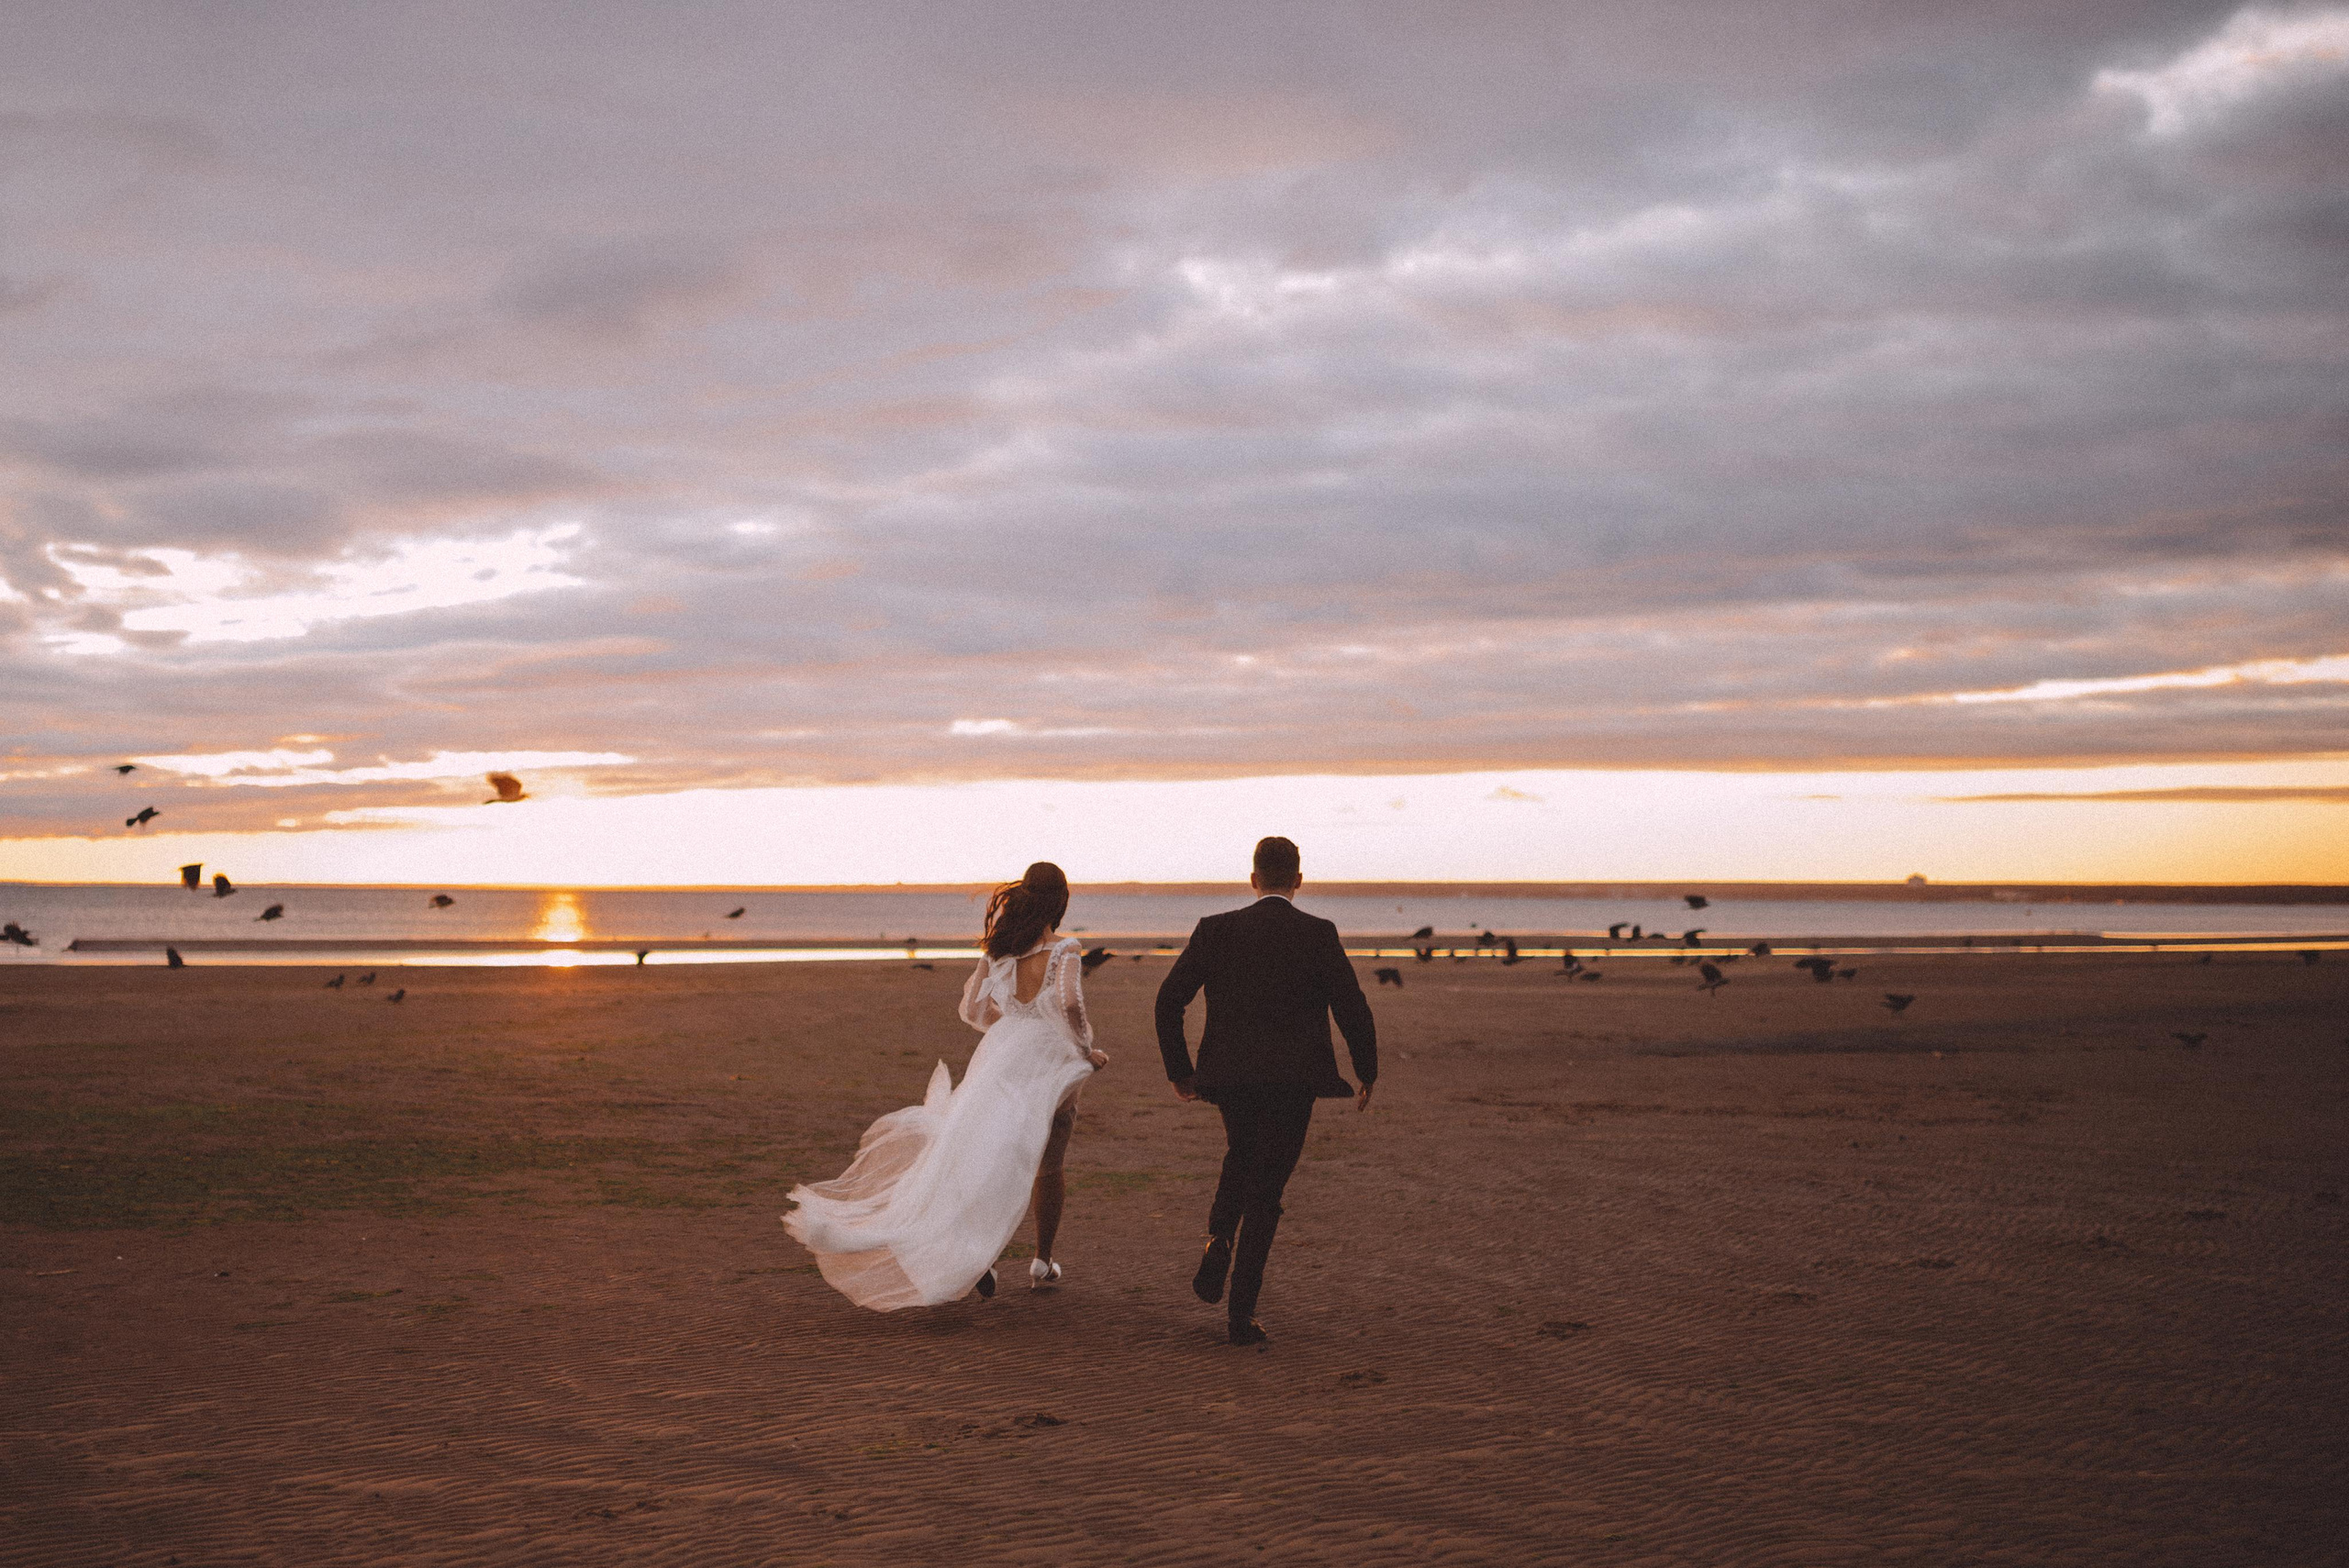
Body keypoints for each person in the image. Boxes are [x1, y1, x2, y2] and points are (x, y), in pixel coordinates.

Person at [784, 862, 1109, 1309]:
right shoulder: (1065, 949)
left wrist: (1008, 1029)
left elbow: (974, 1009)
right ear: (1062, 901)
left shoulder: (1000, 950)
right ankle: (1041, 1260)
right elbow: (1070, 1001)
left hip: (999, 1057)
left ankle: (980, 1258)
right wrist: (1085, 1048)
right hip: (1048, 1062)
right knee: (1049, 1161)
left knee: (986, 1153)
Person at [1155, 836, 1377, 1346]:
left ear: (1253, 880)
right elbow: (1352, 1007)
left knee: (1242, 1154)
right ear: (1298, 880)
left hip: (1230, 1077)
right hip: (1294, 1079)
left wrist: (1180, 1071)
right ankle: (1241, 1312)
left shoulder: (1215, 930)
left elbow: (1168, 1003)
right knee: (1268, 1187)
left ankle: (1218, 1240)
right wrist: (1368, 1070)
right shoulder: (1318, 933)